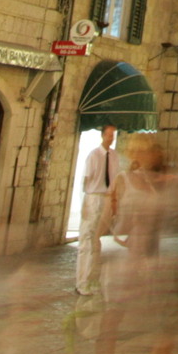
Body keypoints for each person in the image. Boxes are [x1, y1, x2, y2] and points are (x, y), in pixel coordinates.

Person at [93, 133, 174, 354]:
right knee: (121, 325)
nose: (145, 154)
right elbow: (105, 219)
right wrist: (107, 248)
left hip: (144, 258)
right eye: (140, 150)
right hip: (126, 261)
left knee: (115, 324)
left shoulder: (151, 182)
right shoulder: (124, 181)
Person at [76, 124, 124, 295]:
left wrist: (114, 202)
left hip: (105, 198)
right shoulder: (93, 156)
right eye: (109, 135)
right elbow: (85, 181)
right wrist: (85, 205)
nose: (111, 138)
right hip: (93, 196)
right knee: (87, 240)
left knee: (96, 241)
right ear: (102, 135)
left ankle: (93, 279)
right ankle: (81, 281)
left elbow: (115, 180)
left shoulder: (115, 156)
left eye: (113, 135)